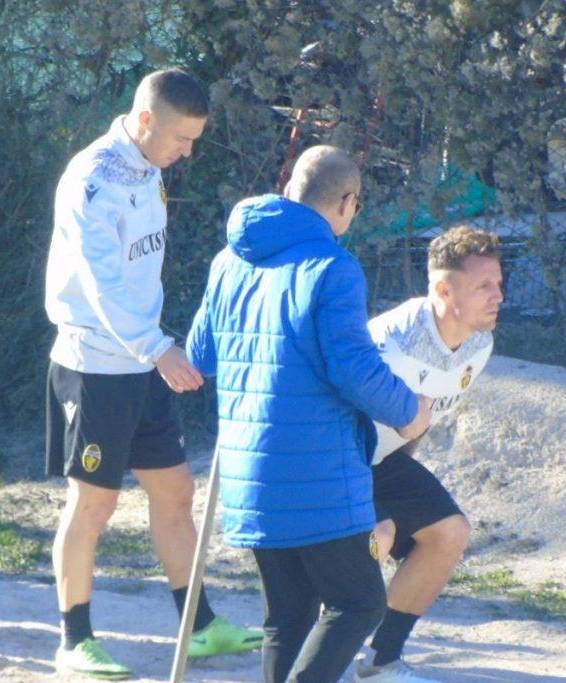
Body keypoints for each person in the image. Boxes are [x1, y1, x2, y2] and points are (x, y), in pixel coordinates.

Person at [44, 68, 261, 680]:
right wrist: (158, 348)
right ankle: (74, 642)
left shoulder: (150, 166)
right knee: (93, 503)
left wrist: (158, 348)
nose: (187, 152)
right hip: (94, 365)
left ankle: (200, 627)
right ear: (145, 120)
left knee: (176, 492)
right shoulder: (91, 180)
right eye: (180, 139)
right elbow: (102, 285)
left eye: (194, 140)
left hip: (144, 360)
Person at [186, 145, 433, 683]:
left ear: (290, 188)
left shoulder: (228, 260)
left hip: (250, 474)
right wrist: (407, 410)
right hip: (316, 474)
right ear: (347, 201)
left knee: (290, 615)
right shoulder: (333, 266)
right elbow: (352, 367)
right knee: (359, 602)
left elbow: (200, 356)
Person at [353, 226, 504, 682]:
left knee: (449, 532)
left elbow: (421, 421)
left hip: (382, 459)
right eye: (483, 286)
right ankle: (322, 649)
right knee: (376, 536)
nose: (498, 296)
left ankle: (380, 661)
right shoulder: (393, 342)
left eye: (498, 283)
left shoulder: (479, 344)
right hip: (332, 458)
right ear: (442, 290)